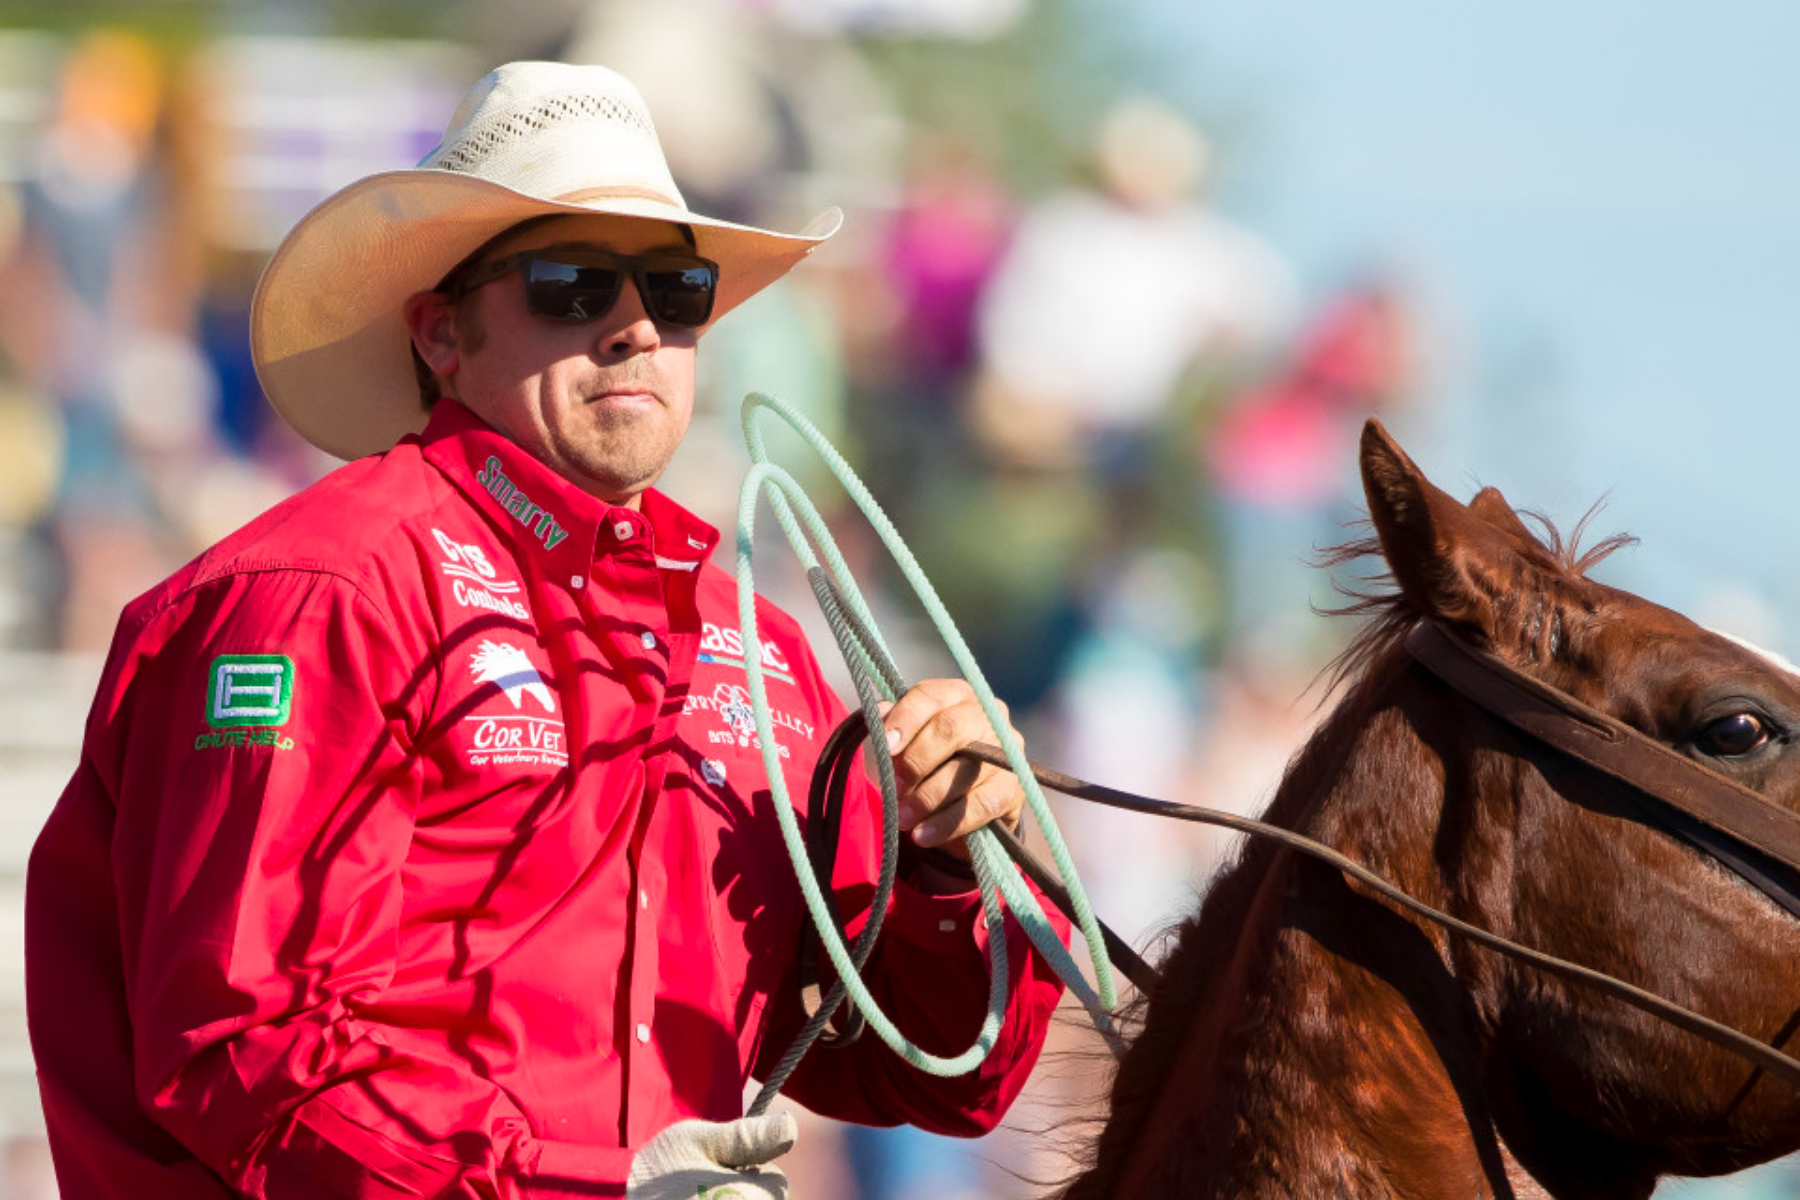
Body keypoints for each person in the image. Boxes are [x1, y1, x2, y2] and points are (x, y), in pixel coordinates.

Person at [24, 61, 1068, 1199]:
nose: (634, 329)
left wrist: (944, 859)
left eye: (677, 290)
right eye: (574, 285)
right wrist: (586, 1189)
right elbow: (247, 1047)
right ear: (440, 334)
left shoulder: (755, 646)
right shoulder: (323, 592)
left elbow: (943, 1078)